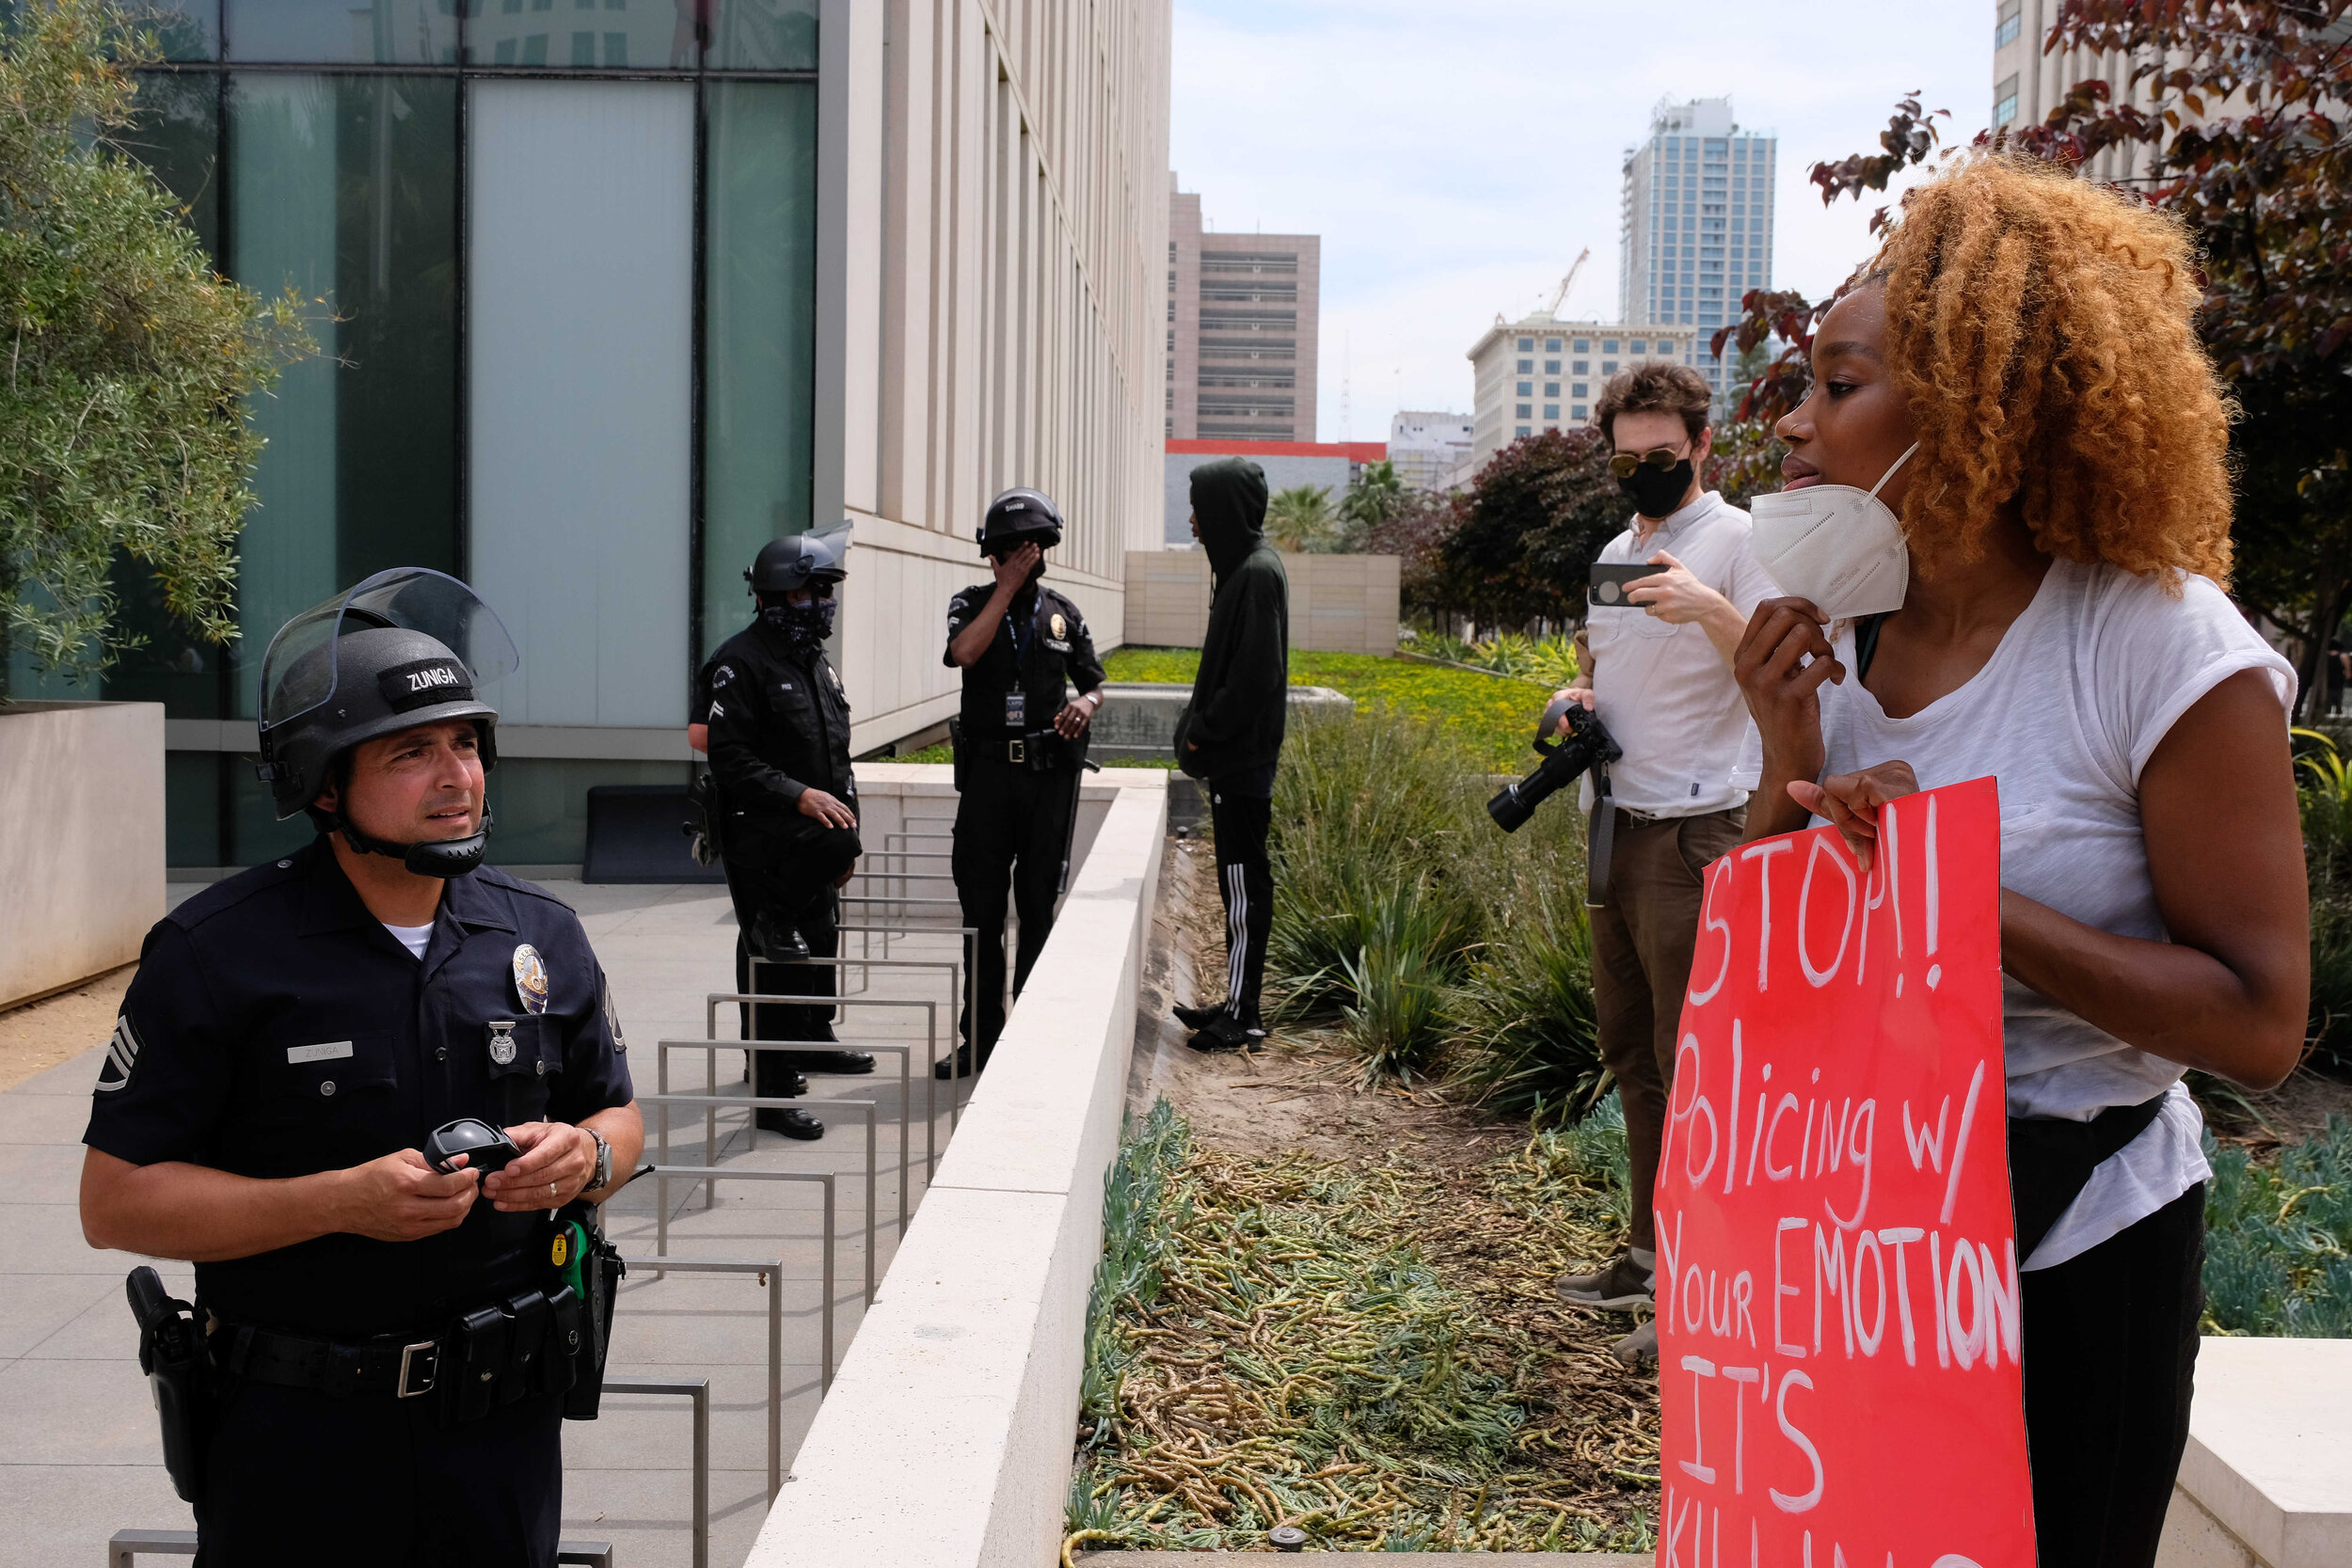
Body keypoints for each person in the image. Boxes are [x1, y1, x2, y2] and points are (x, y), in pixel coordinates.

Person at [1733, 154, 2305, 1568]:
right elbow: (1777, 984)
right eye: (1801, 386)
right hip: (1867, 1230)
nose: (1795, 426)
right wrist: (1781, 758)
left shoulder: (2161, 647)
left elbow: (2261, 1018)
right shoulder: (1842, 639)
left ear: (1982, 407)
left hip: (2076, 1242)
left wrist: (1957, 894)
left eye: (1840, 384)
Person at [78, 568, 645, 1568]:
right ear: (323, 781)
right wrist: (339, 1200)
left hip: (501, 1431)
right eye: (413, 750)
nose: (458, 774)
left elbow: (618, 1116)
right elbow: (116, 1201)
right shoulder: (216, 952)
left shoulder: (540, 933)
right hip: (296, 1440)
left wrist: (584, 1159)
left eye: (467, 742)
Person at [1549, 361, 1779, 1369]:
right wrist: (1571, 701)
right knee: (1634, 1058)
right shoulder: (1613, 550)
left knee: (1699, 1075)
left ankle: (1699, 1299)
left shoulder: (1738, 542)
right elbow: (1600, 672)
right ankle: (1644, 1256)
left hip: (1697, 836)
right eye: (1625, 459)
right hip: (1615, 824)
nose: (1641, 472)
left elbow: (1788, 675)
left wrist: (1711, 609)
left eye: (1659, 454)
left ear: (1699, 445)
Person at [702, 522, 871, 1140]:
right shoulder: (739, 662)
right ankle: (771, 1094)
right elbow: (730, 758)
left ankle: (813, 1040)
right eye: (810, 592)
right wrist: (798, 796)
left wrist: (846, 829)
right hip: (762, 839)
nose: (822, 603)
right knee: (776, 958)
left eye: (828, 591)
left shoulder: (815, 665)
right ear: (775, 598)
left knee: (820, 937)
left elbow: (838, 755)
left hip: (813, 841)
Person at [942, 488, 1108, 1076]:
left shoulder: (1064, 613)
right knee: (982, 913)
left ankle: (1030, 1037)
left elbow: (1093, 681)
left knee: (1038, 906)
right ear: (992, 554)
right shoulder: (970, 603)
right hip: (988, 779)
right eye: (1010, 549)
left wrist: (1087, 702)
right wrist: (1006, 591)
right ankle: (981, 1039)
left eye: (1031, 547)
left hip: (1047, 780)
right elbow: (963, 653)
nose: (1022, 556)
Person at [1169, 457, 1291, 1053]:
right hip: (1235, 759)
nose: (1192, 521)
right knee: (1236, 882)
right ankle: (1237, 1002)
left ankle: (1243, 1017)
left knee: (1243, 884)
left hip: (1240, 759)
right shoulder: (1244, 571)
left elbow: (1257, 676)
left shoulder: (1256, 574)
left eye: (1200, 508)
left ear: (1223, 511)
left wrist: (1203, 732)